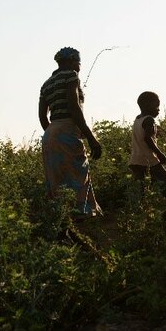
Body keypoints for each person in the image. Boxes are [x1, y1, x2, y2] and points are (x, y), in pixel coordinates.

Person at [39, 47, 103, 217]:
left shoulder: (46, 84)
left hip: (50, 133)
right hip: (67, 129)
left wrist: (53, 133)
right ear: (73, 61)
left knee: (57, 178)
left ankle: (61, 216)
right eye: (78, 62)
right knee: (78, 173)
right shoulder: (71, 76)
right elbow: (74, 108)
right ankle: (82, 214)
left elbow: (42, 116)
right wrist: (90, 137)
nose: (79, 66)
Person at [129, 92, 166, 204]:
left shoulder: (138, 119)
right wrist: (159, 154)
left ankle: (142, 210)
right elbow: (148, 138)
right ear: (148, 106)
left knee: (140, 190)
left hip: (135, 160)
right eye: (156, 106)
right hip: (149, 160)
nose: (158, 109)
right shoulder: (149, 120)